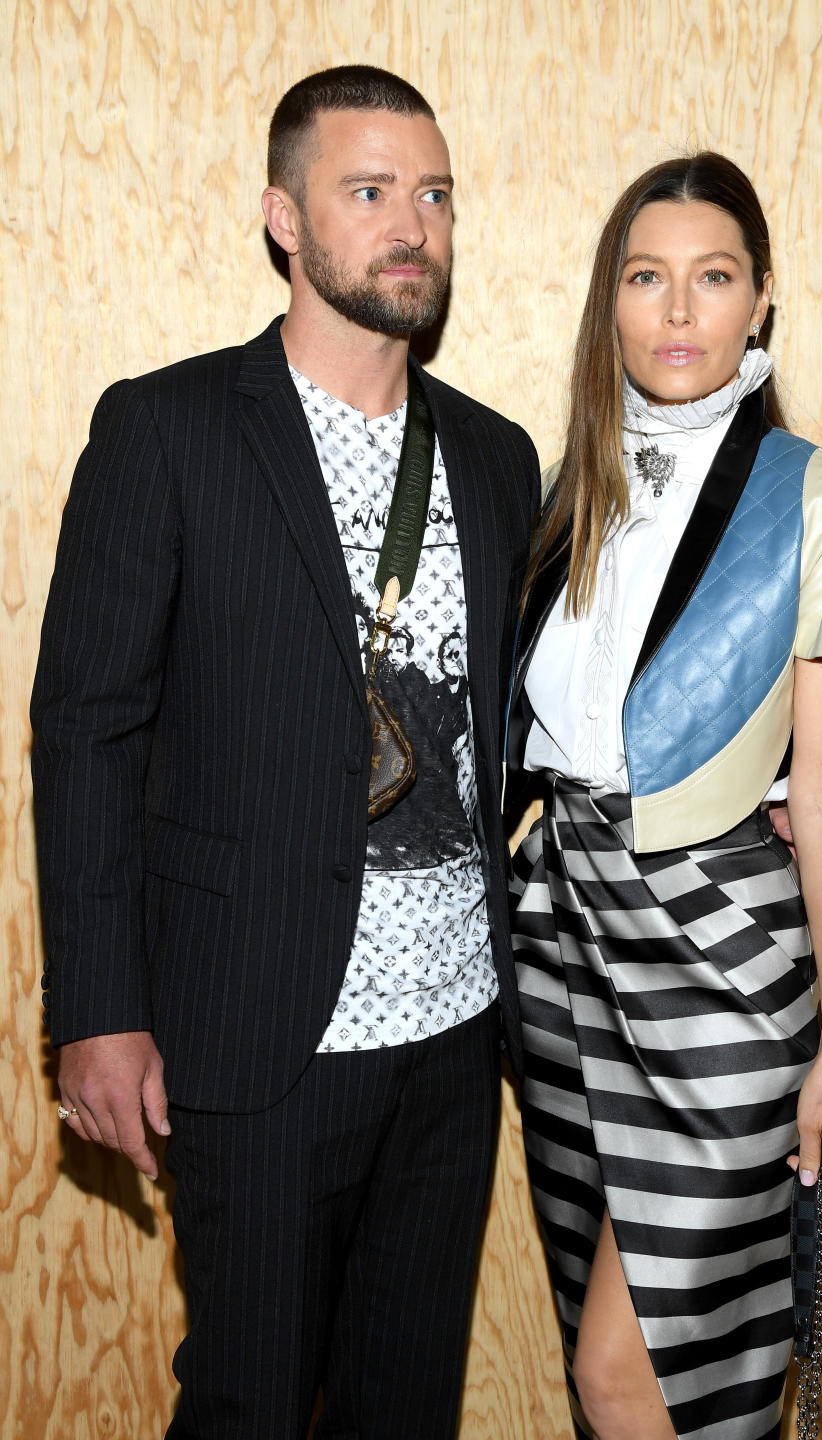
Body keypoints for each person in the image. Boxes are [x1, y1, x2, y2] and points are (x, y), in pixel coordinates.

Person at [31, 65, 539, 1439]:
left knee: (403, 1404)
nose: (411, 226)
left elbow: (542, 710)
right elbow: (85, 728)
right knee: (250, 1403)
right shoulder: (170, 429)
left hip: (452, 1035)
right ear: (284, 217)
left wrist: (754, 788)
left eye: (433, 195)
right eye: (369, 191)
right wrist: (96, 1005)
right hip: (256, 1027)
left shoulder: (496, 460)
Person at [505, 153, 822, 1440]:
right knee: (637, 1373)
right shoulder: (572, 497)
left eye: (713, 278)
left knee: (631, 1376)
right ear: (610, 303)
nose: (678, 311)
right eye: (647, 278)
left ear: (761, 306)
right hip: (560, 950)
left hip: (724, 962)